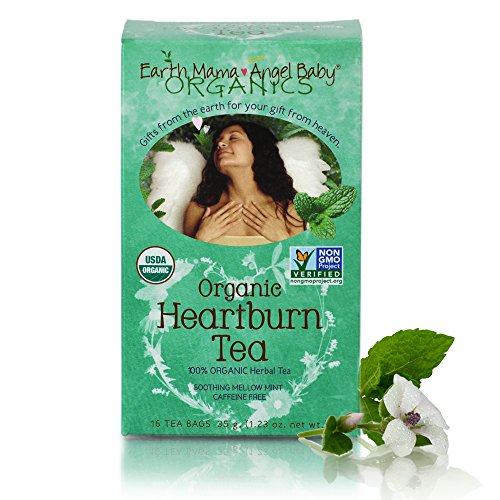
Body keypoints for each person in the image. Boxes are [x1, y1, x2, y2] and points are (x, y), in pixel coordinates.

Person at [184, 121, 305, 246]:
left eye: (233, 138)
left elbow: (301, 258)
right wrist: (201, 238)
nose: (220, 144)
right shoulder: (198, 210)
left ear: (258, 148)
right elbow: (185, 258)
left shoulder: (290, 211)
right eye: (216, 143)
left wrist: (283, 238)